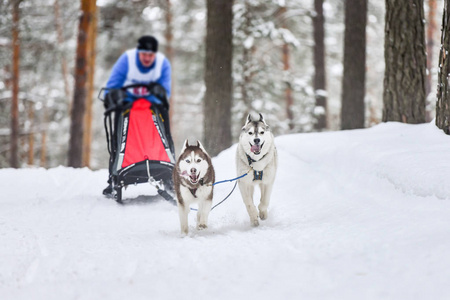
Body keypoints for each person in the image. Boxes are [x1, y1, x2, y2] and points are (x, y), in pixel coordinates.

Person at [103, 35, 173, 196]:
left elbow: (165, 90)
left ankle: (170, 175)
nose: (147, 58)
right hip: (126, 107)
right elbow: (113, 85)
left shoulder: (162, 64)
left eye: (150, 55)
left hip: (153, 108)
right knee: (117, 139)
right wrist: (117, 96)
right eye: (144, 54)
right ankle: (113, 177)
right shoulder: (126, 60)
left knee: (165, 134)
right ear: (138, 52)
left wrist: (153, 96)